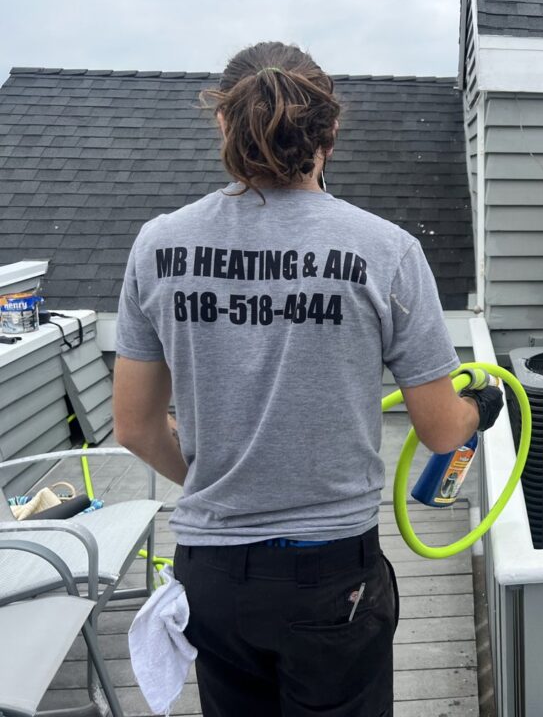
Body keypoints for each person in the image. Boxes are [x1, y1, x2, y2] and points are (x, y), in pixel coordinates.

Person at [112, 41, 503, 717]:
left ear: (222, 124)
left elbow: (135, 428)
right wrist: (483, 406)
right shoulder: (385, 251)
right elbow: (441, 430)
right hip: (330, 579)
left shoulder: (158, 246)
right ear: (332, 129)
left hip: (211, 571)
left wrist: (224, 479)